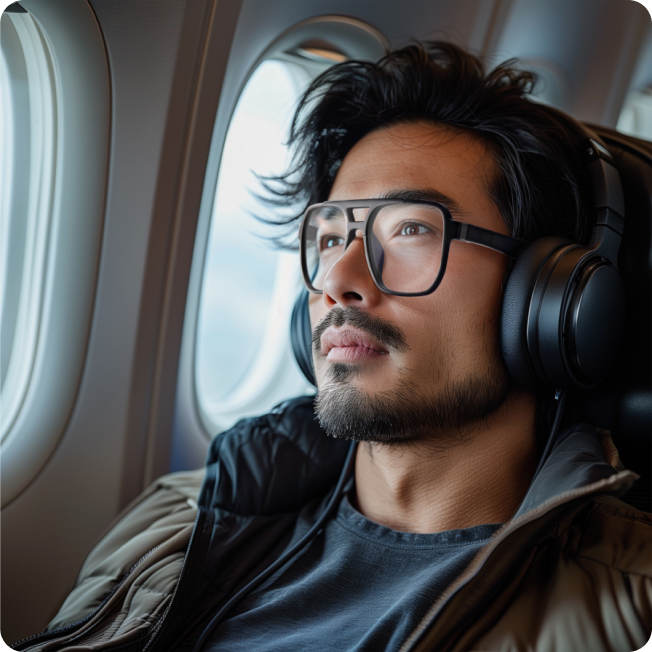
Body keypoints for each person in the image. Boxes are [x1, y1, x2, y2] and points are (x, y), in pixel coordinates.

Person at [15, 42, 651, 652]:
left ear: (546, 299)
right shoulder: (180, 520)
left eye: (410, 230)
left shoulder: (630, 601)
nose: (340, 282)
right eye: (329, 236)